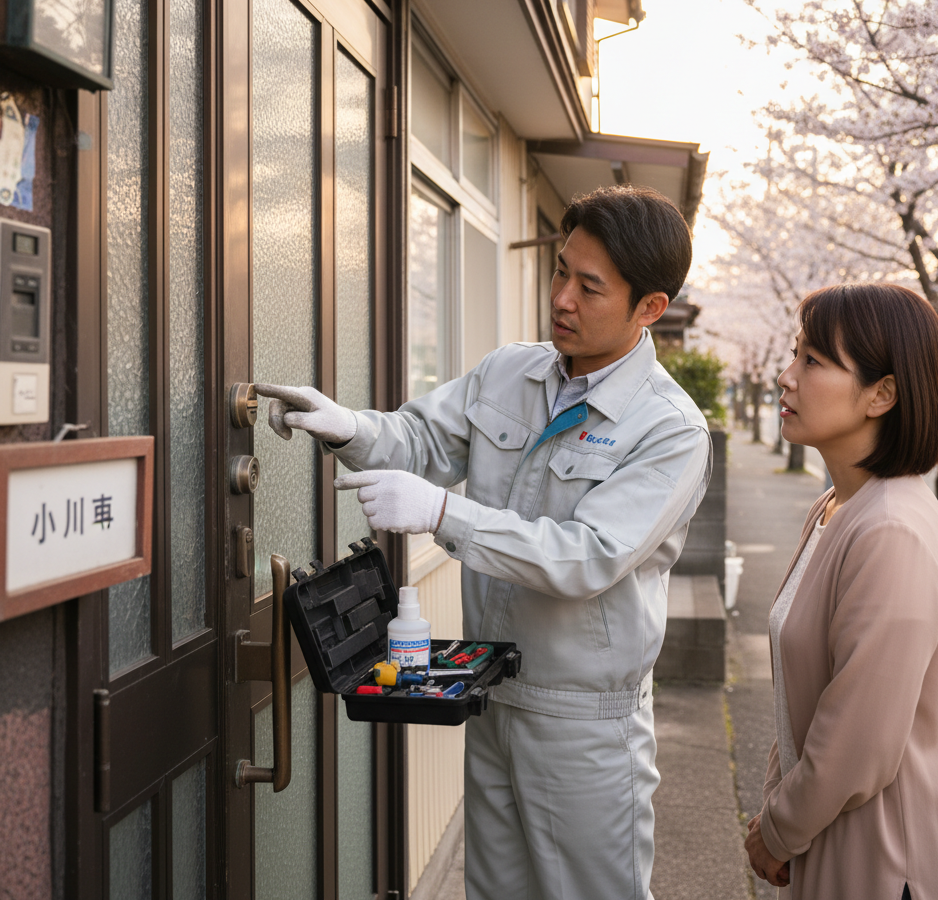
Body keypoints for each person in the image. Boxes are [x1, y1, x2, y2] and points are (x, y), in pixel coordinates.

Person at [257, 184, 711, 900]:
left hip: (584, 725)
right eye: (560, 271)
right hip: (491, 692)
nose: (561, 298)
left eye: (589, 287)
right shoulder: (511, 372)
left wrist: (445, 513)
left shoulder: (668, 430)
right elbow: (420, 439)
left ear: (649, 307)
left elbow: (587, 556)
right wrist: (351, 427)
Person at [744, 283, 938, 900]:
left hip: (892, 862)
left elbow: (857, 744)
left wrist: (777, 830)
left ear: (882, 394)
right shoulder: (837, 506)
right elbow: (808, 691)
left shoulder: (890, 531)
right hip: (838, 837)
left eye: (812, 361)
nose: (785, 377)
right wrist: (779, 806)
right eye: (794, 354)